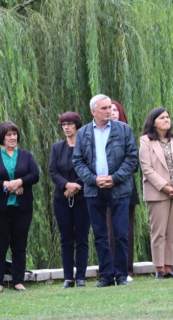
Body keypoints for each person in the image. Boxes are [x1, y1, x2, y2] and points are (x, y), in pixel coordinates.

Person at [73, 94, 138, 287]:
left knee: (120, 234)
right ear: (93, 111)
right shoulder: (83, 133)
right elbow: (78, 160)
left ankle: (121, 276)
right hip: (94, 191)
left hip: (119, 190)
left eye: (110, 107)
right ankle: (106, 277)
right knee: (100, 235)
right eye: (104, 108)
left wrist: (114, 178)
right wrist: (93, 179)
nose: (109, 111)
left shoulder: (124, 130)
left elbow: (131, 158)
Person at [0, 121, 39, 293]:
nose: (12, 138)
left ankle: (18, 281)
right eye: (8, 135)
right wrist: (6, 185)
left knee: (19, 245)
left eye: (14, 134)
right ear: (2, 137)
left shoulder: (26, 155)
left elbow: (35, 175)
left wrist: (20, 182)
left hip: (22, 207)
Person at [139, 107, 173, 279]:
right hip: (157, 192)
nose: (167, 120)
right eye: (162, 118)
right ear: (153, 121)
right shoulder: (146, 141)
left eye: (168, 117)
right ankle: (159, 269)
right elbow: (146, 168)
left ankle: (169, 267)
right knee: (158, 232)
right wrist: (165, 187)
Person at [49, 112, 90, 288]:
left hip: (83, 198)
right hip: (61, 198)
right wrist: (66, 185)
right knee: (66, 239)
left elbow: (90, 168)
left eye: (69, 124)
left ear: (77, 125)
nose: (66, 127)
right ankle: (68, 278)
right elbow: (53, 171)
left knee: (81, 238)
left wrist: (77, 185)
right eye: (63, 124)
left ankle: (80, 276)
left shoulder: (87, 146)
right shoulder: (57, 148)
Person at [108, 100, 139, 281]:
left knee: (125, 232)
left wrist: (116, 175)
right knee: (109, 232)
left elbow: (133, 163)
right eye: (108, 109)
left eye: (114, 110)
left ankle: (127, 270)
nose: (111, 113)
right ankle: (110, 270)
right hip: (104, 188)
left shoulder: (128, 133)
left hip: (126, 188)